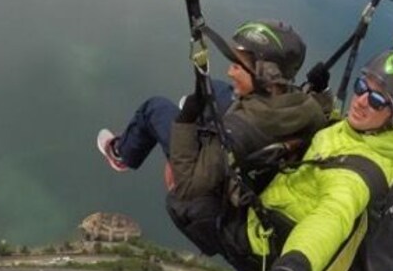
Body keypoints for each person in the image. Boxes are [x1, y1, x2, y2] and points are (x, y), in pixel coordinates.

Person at [169, 49, 393, 271]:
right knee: (227, 104)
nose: (362, 100)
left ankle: (213, 244)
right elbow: (336, 127)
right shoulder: (375, 135)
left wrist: (293, 268)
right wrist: (323, 92)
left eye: (377, 100)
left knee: (184, 203)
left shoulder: (355, 175)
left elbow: (332, 216)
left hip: (271, 249)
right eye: (361, 86)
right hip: (286, 204)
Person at [96, 20, 325, 178]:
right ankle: (199, 113)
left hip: (206, 166)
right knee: (216, 88)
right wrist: (320, 92)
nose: (230, 71)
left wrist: (186, 121)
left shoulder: (239, 130)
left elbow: (192, 182)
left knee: (153, 108)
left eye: (238, 66)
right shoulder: (305, 107)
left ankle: (122, 154)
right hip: (260, 137)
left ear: (267, 77)